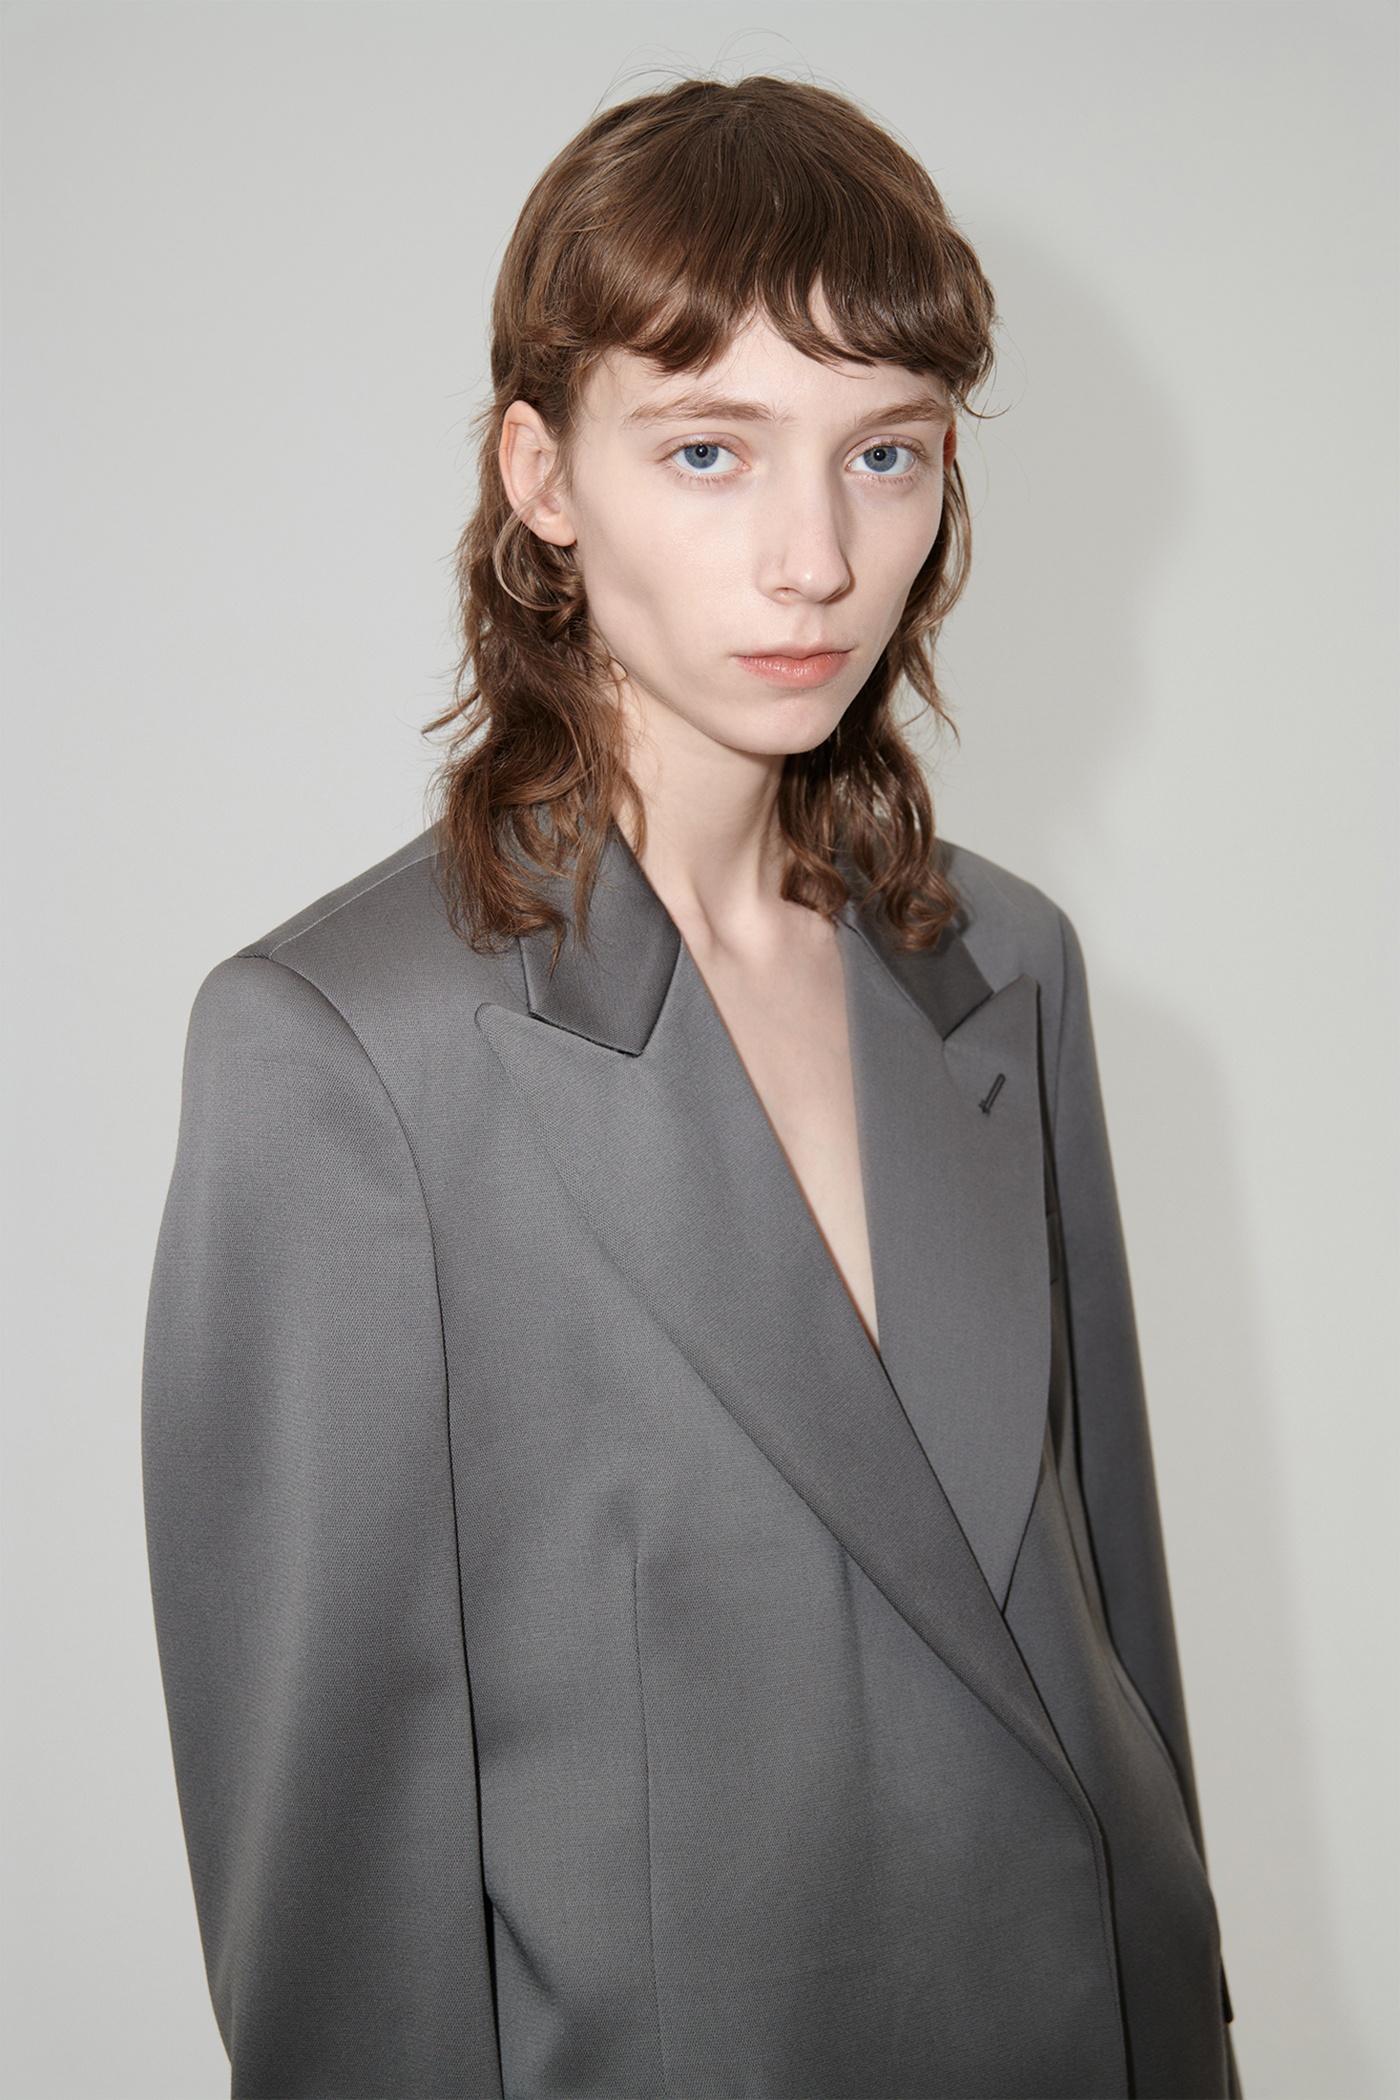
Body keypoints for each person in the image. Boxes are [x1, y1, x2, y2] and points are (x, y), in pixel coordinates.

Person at [143, 75, 1236, 2100]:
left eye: (884, 453)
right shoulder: (341, 1057)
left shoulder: (1004, 967)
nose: (814, 558)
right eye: (710, 449)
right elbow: (337, 1920)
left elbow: (1112, 1651)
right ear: (542, 475)